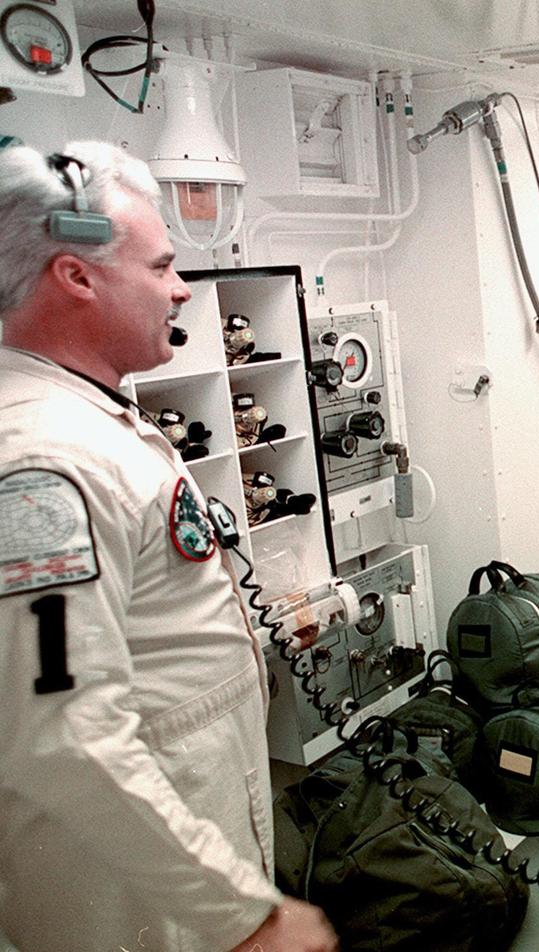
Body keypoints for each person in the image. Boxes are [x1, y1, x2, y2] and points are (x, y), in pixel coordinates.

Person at [0, 142, 339, 951]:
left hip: (179, 828)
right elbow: (65, 736)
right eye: (160, 266)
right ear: (77, 276)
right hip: (136, 896)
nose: (182, 288)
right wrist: (242, 914)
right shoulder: (46, 460)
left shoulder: (91, 416)